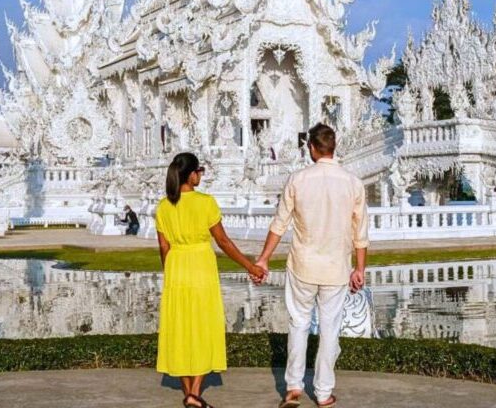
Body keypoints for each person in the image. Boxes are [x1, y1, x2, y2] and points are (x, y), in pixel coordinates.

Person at [255, 123, 369, 408]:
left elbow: (279, 224)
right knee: (330, 329)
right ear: (333, 146)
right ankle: (323, 393)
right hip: (336, 268)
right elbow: (361, 233)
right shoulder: (352, 182)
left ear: (312, 148)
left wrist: (264, 258)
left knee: (298, 325)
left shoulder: (298, 179)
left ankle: (293, 387)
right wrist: (360, 269)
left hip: (303, 266)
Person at [156, 152, 266, 408]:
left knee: (180, 328)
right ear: (192, 174)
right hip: (201, 266)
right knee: (204, 325)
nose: (201, 176)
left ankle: (190, 394)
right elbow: (223, 241)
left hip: (177, 267)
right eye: (200, 171)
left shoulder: (163, 206)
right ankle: (194, 392)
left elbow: (164, 247)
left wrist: (170, 271)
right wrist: (250, 265)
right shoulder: (206, 203)